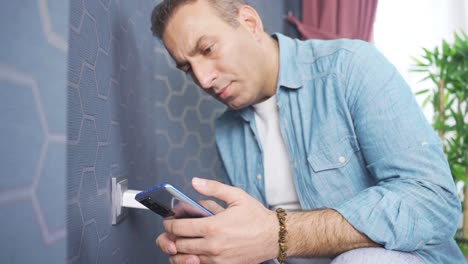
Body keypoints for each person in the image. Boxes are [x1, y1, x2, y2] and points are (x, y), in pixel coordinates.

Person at [150, 0, 465, 263]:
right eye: (188, 68)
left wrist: (279, 232)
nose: (203, 80)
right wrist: (223, 240)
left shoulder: (352, 68)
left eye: (207, 49)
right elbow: (262, 246)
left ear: (249, 22)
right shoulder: (227, 130)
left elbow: (433, 202)